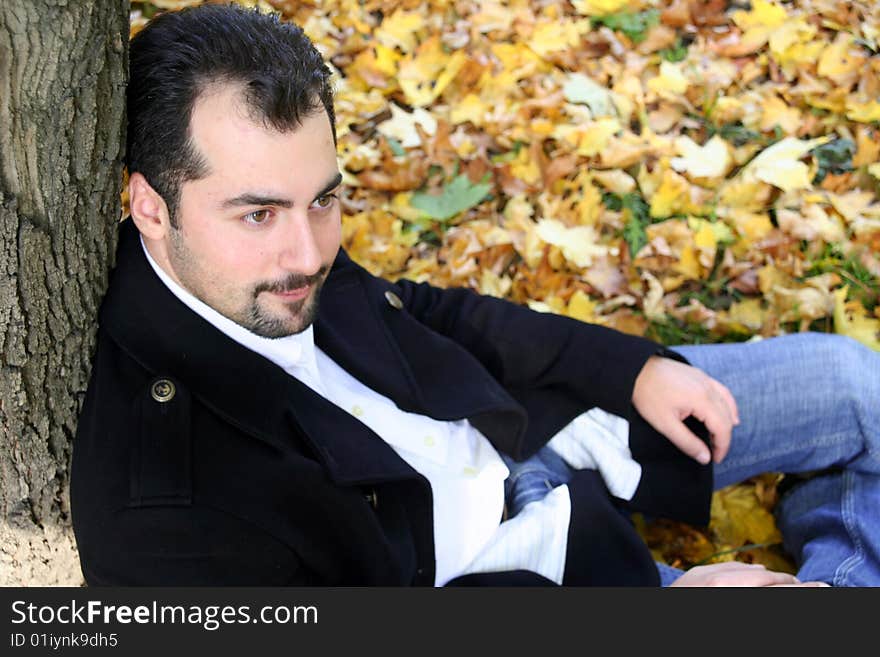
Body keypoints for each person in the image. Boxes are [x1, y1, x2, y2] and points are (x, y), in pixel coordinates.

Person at [70, 4, 879, 587]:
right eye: (259, 213)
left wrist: (626, 369)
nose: (311, 250)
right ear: (149, 204)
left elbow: (419, 313)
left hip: (532, 427)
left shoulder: (260, 253)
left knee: (853, 382)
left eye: (325, 197)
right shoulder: (161, 512)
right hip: (532, 575)